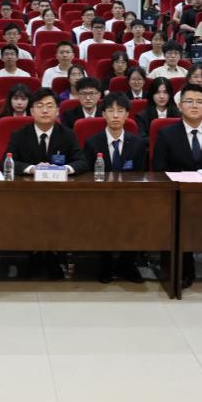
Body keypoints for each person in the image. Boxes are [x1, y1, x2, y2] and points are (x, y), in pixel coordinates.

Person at [151, 85, 202, 288]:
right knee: (181, 215)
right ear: (180, 106)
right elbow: (159, 169)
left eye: (199, 102)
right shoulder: (166, 134)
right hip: (178, 194)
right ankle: (186, 270)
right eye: (189, 101)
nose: (194, 105)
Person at [5, 88, 89, 280]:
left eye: (50, 106)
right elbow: (7, 161)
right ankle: (33, 253)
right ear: (31, 111)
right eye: (40, 106)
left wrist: (63, 169)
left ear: (57, 111)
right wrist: (33, 169)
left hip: (59, 194)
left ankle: (52, 253)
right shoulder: (19, 135)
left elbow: (82, 162)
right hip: (27, 194)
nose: (44, 110)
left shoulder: (67, 134)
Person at [79, 92, 147, 284]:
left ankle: (128, 263)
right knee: (102, 215)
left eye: (120, 111)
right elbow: (87, 175)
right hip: (101, 197)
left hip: (130, 197)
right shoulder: (93, 142)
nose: (115, 115)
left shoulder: (138, 143)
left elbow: (140, 175)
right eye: (110, 111)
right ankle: (106, 263)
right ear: (103, 114)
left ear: (127, 115)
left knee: (139, 214)